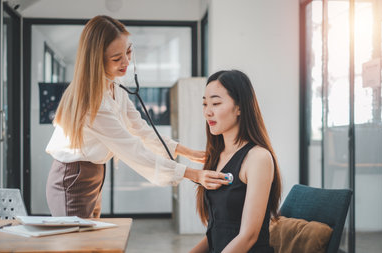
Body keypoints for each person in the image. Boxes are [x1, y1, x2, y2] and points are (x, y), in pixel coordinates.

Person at [45, 15, 228, 218]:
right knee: (75, 245)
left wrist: (189, 152)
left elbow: (141, 129)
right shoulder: (92, 102)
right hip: (74, 176)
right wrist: (194, 174)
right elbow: (132, 148)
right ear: (96, 60)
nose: (126, 62)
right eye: (116, 58)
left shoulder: (115, 88)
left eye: (129, 51)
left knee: (88, 240)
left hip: (94, 172)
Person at [190, 70, 282, 253]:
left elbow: (248, 236)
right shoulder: (217, 156)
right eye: (205, 104)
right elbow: (216, 232)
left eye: (216, 103)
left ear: (240, 107)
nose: (208, 112)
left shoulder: (258, 158)